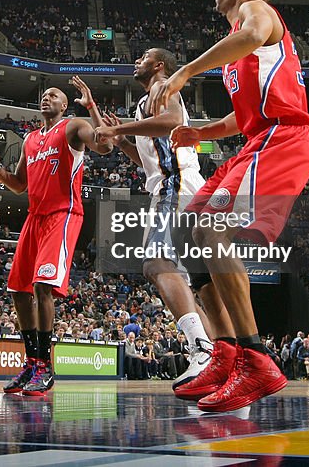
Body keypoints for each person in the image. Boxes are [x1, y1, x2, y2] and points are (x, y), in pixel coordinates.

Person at [150, 0, 309, 412]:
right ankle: (224, 353)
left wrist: (184, 72)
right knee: (188, 229)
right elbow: (242, 120)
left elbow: (253, 34)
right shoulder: (243, 49)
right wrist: (200, 132)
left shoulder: (256, 12)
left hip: (283, 139)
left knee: (211, 232)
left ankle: (256, 357)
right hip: (256, 138)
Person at [0, 77, 112, 396]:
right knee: (18, 290)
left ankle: (46, 366)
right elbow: (18, 184)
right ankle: (32, 362)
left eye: (54, 95)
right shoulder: (30, 139)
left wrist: (90, 106)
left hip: (63, 215)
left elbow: (105, 145)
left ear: (64, 105)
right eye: (44, 95)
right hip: (35, 217)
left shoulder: (73, 126)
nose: (47, 97)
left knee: (41, 286)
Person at [94, 48, 217, 396]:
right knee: (187, 281)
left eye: (143, 57)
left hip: (175, 186)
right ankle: (219, 355)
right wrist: (122, 142)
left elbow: (172, 122)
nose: (137, 61)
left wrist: (123, 127)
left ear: (159, 65)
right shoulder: (149, 99)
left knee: (156, 263)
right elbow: (148, 161)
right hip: (171, 185)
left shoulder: (163, 87)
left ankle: (203, 349)